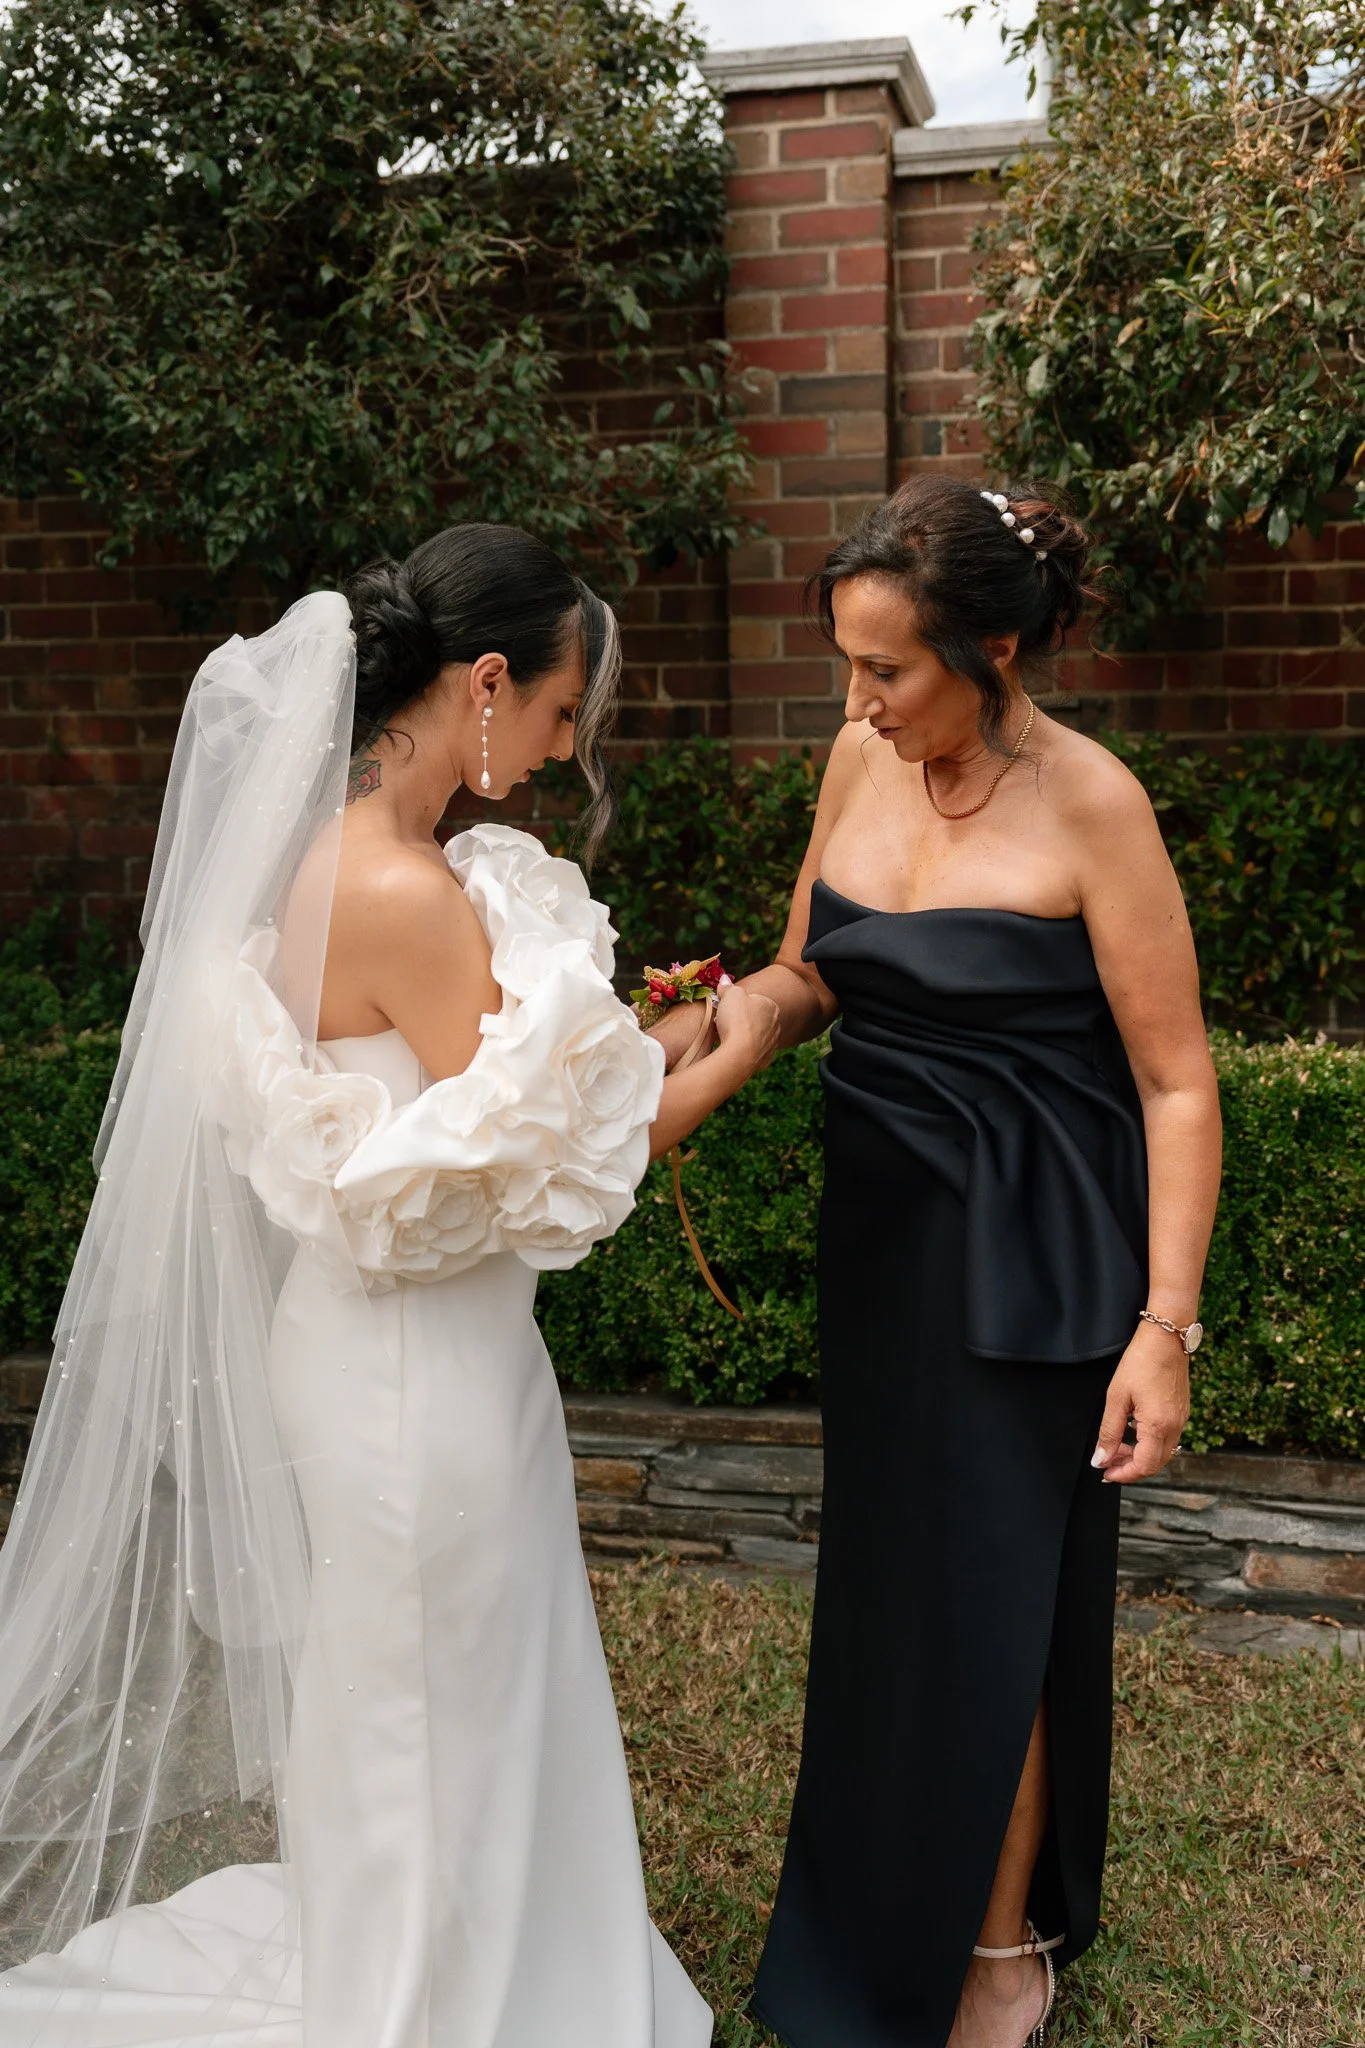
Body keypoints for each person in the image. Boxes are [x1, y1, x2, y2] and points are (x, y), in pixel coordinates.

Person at [0, 524, 778, 2048]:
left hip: (397, 1346)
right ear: (484, 684)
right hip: (419, 1371)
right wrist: (744, 1043)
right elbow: (559, 1174)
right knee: (440, 1697)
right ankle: (439, 2013)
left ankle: (445, 1972)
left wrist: (639, 1048)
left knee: (425, 1691)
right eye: (560, 715)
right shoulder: (408, 893)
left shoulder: (339, 858)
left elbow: (507, 1101)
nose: (562, 755)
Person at [739, 476, 1222, 2048]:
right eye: (848, 668)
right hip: (883, 1248)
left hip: (1039, 1266)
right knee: (893, 1594)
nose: (861, 703)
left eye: (890, 671)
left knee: (998, 1601)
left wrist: (1165, 1329)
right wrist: (692, 1042)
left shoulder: (1096, 803)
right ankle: (869, 1923)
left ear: (997, 648)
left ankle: (1003, 1948)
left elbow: (1176, 1082)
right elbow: (814, 973)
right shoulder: (854, 761)